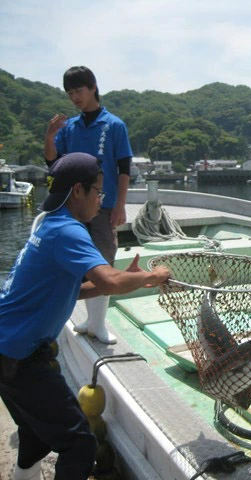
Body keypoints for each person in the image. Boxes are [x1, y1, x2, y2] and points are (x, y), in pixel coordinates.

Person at [0, 152, 170, 480]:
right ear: (78, 191)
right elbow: (109, 280)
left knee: (35, 432)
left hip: (6, 348)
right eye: (99, 192)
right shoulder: (68, 230)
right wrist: (151, 276)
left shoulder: (48, 225)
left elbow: (74, 289)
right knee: (79, 445)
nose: (100, 201)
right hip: (20, 355)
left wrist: (124, 281)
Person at [44, 66, 133, 344]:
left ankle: (98, 323)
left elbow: (123, 168)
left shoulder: (114, 125)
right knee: (75, 263)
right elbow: (52, 161)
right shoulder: (69, 127)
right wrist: (49, 136)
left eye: (78, 91)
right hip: (73, 206)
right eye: (70, 93)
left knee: (103, 260)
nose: (74, 97)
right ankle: (87, 320)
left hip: (104, 205)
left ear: (93, 87)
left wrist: (120, 204)